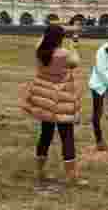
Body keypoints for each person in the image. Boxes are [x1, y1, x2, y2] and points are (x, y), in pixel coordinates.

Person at [21, 24, 86, 189]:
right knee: (67, 137)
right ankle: (71, 175)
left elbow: (41, 41)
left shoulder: (40, 52)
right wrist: (74, 42)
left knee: (45, 135)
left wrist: (54, 31)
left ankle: (40, 171)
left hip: (44, 98)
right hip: (62, 98)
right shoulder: (65, 54)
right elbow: (76, 61)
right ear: (60, 38)